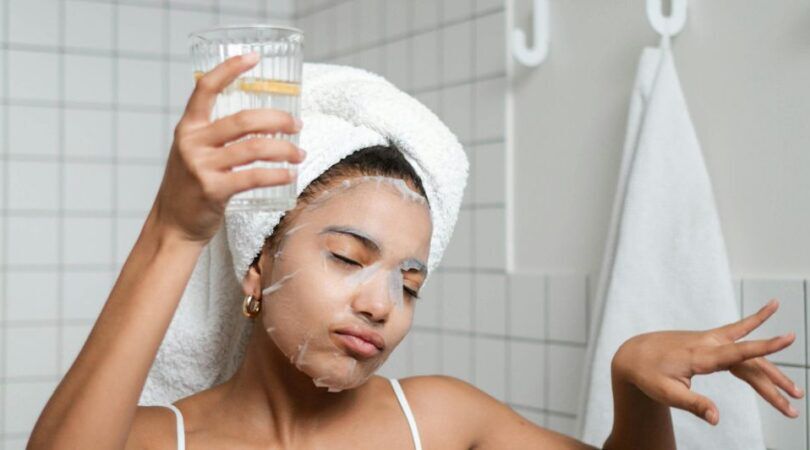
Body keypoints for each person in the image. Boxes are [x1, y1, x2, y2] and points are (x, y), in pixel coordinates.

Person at [28, 54, 803, 450]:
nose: (382, 305)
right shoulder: (167, 438)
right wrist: (178, 226)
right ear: (257, 266)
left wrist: (630, 380)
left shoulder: (434, 417)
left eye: (410, 283)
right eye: (346, 257)